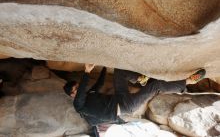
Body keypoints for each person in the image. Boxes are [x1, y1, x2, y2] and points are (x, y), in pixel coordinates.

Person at [63, 64, 206, 128]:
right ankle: (188, 81)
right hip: (125, 106)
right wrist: (86, 72)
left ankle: (141, 79)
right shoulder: (78, 105)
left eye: (77, 87)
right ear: (72, 94)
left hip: (119, 97)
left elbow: (99, 84)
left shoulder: (88, 95)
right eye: (76, 89)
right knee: (155, 86)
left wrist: (104, 66)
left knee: (118, 71)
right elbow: (81, 92)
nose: (79, 89)